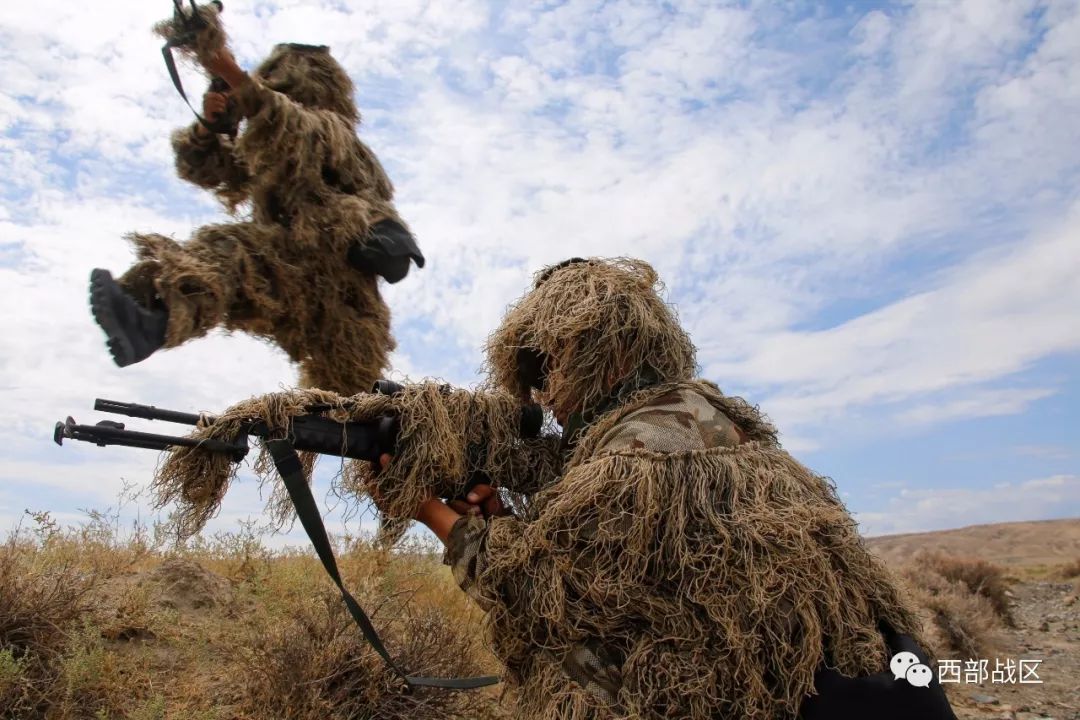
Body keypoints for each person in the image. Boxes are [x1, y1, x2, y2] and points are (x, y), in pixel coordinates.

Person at [385, 258, 958, 719]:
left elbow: (540, 596)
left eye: (552, 366)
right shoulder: (709, 418)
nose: (546, 394)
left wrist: (432, 514)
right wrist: (500, 513)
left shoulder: (634, 458)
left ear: (603, 356)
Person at [89, 18, 422, 395]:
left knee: (350, 402)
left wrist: (228, 71)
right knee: (227, 257)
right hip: (291, 269)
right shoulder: (269, 146)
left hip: (343, 289)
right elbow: (206, 169)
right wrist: (210, 127)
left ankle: (149, 318)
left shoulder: (333, 132)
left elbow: (289, 127)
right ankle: (148, 318)